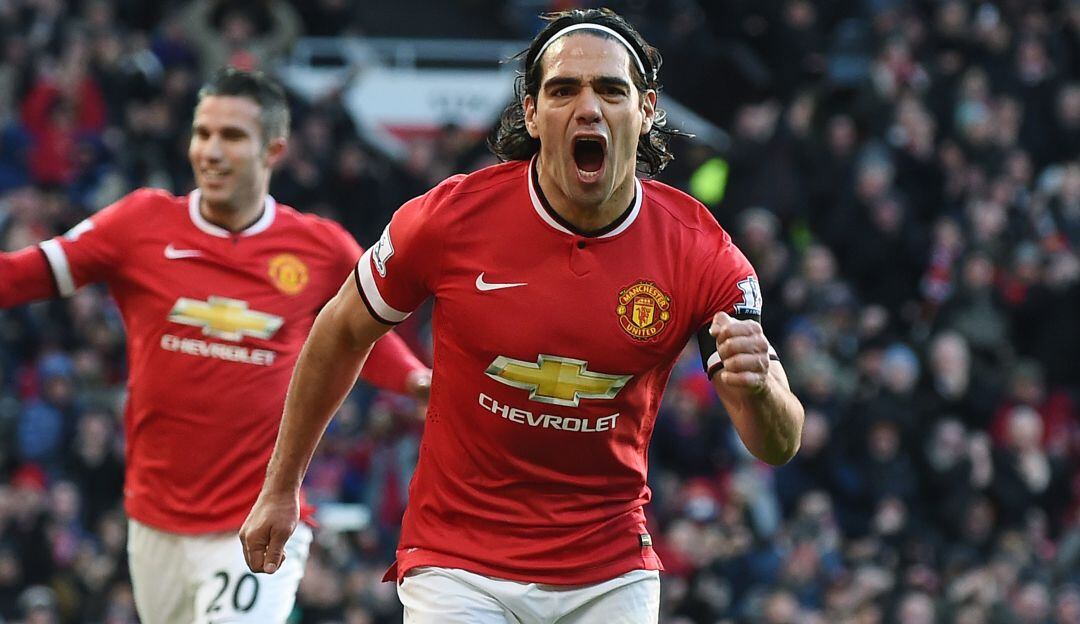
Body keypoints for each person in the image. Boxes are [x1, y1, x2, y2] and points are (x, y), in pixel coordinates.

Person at [241, 9, 804, 623]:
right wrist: (281, 487)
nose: (588, 108)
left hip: (608, 570)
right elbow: (340, 331)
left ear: (645, 110)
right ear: (532, 114)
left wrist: (758, 390)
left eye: (610, 90)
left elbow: (778, 443)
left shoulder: (702, 253)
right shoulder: (449, 220)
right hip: (457, 561)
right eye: (563, 90)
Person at [0, 67, 432, 624]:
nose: (211, 150)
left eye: (232, 136)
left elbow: (359, 334)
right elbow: (22, 275)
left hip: (256, 516)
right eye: (202, 133)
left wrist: (413, 380)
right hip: (154, 518)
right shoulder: (139, 223)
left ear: (273, 149)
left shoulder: (319, 247)